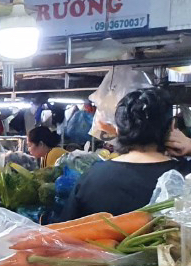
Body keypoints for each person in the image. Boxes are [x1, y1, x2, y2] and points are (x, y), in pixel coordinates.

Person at [62, 86, 178, 219]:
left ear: (117, 129)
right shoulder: (186, 177)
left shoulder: (92, 177)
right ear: (172, 126)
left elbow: (64, 235)